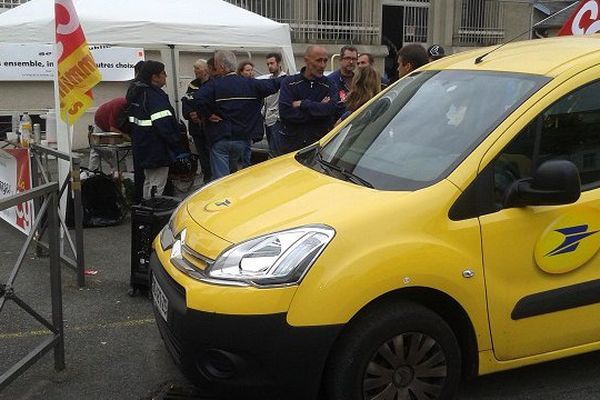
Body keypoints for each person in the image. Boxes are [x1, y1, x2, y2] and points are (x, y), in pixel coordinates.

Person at [190, 50, 281, 180]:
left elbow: (197, 99)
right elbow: (274, 84)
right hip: (242, 139)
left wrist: (208, 114)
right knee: (233, 175)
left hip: (220, 138)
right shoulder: (251, 84)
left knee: (221, 181)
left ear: (221, 67)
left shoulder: (214, 85)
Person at [126, 60, 185, 199]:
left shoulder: (137, 93)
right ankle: (153, 211)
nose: (166, 76)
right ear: (154, 77)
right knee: (157, 184)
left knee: (149, 182)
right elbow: (163, 124)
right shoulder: (153, 96)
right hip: (156, 148)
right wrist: (176, 141)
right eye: (163, 73)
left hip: (143, 145)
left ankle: (146, 209)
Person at [276, 45, 339, 155]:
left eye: (325, 61)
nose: (322, 65)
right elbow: (285, 112)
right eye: (319, 60)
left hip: (318, 148)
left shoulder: (329, 85)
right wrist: (317, 110)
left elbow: (330, 109)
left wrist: (302, 104)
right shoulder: (290, 83)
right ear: (306, 60)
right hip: (291, 147)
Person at [181, 58, 211, 183]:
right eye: (194, 68)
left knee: (212, 154)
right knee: (202, 156)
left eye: (197, 68)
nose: (195, 71)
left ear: (206, 69)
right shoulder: (192, 85)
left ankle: (213, 177)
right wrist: (189, 113)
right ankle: (206, 177)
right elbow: (186, 102)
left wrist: (200, 114)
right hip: (197, 129)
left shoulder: (213, 83)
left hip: (210, 128)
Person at [89, 97, 129, 172]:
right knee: (96, 148)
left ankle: (122, 175)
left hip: (115, 124)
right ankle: (92, 172)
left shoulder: (134, 107)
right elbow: (113, 129)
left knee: (120, 152)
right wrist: (128, 138)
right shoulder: (119, 105)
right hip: (101, 120)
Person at [263, 52, 286, 154]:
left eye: (272, 63)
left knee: (276, 152)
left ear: (279, 63)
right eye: (268, 64)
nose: (270, 66)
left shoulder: (285, 80)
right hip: (268, 120)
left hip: (278, 120)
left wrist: (279, 117)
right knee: (271, 150)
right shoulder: (269, 79)